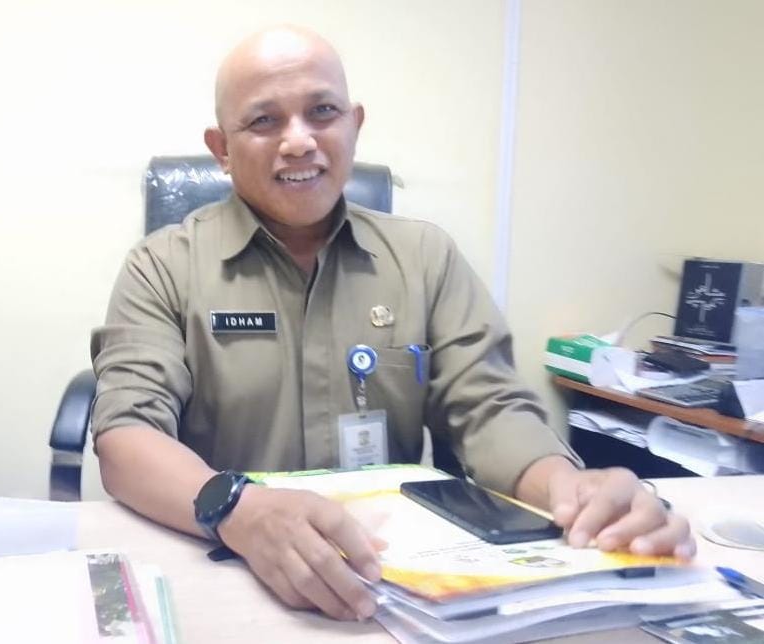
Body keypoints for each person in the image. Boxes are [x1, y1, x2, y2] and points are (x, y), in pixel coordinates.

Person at [91, 25, 694, 623]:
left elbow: (489, 409)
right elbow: (127, 434)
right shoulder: (162, 266)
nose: (299, 141)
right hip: (227, 568)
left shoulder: (425, 258)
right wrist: (239, 509)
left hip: (396, 586)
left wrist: (569, 490)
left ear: (354, 124)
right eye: (264, 120)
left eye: (322, 112)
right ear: (222, 148)